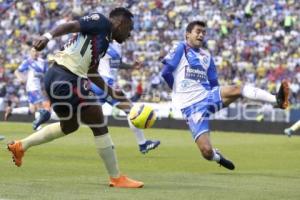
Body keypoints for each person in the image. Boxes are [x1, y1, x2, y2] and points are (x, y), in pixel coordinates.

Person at [7, 7, 144, 188]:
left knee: (69, 126)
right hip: (65, 77)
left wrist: (111, 92)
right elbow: (71, 25)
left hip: (60, 77)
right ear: (121, 23)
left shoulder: (104, 44)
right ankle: (116, 177)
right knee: (97, 119)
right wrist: (47, 37)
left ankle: (21, 146)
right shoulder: (101, 21)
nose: (129, 34)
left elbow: (92, 72)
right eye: (130, 29)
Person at [161, 21, 290, 170]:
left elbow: (215, 84)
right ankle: (217, 157)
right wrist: (176, 90)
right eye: (198, 31)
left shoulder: (206, 56)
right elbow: (165, 72)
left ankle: (276, 100)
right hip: (190, 108)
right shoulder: (180, 48)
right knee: (206, 152)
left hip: (207, 96)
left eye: (203, 32)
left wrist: (219, 99)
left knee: (237, 89)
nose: (201, 34)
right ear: (187, 34)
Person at [90, 40, 160, 154]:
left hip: (100, 84)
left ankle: (108, 144)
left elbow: (117, 63)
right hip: (103, 82)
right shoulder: (102, 40)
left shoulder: (116, 45)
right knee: (132, 110)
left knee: (82, 117)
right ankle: (142, 144)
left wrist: (131, 66)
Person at [4, 48, 51, 130]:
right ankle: (38, 126)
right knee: (39, 105)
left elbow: (47, 74)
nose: (35, 53)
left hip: (39, 87)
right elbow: (17, 71)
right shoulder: (28, 62)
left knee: (32, 110)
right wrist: (21, 78)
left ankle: (11, 111)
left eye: (37, 51)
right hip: (32, 87)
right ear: (30, 52)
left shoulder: (43, 62)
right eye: (33, 51)